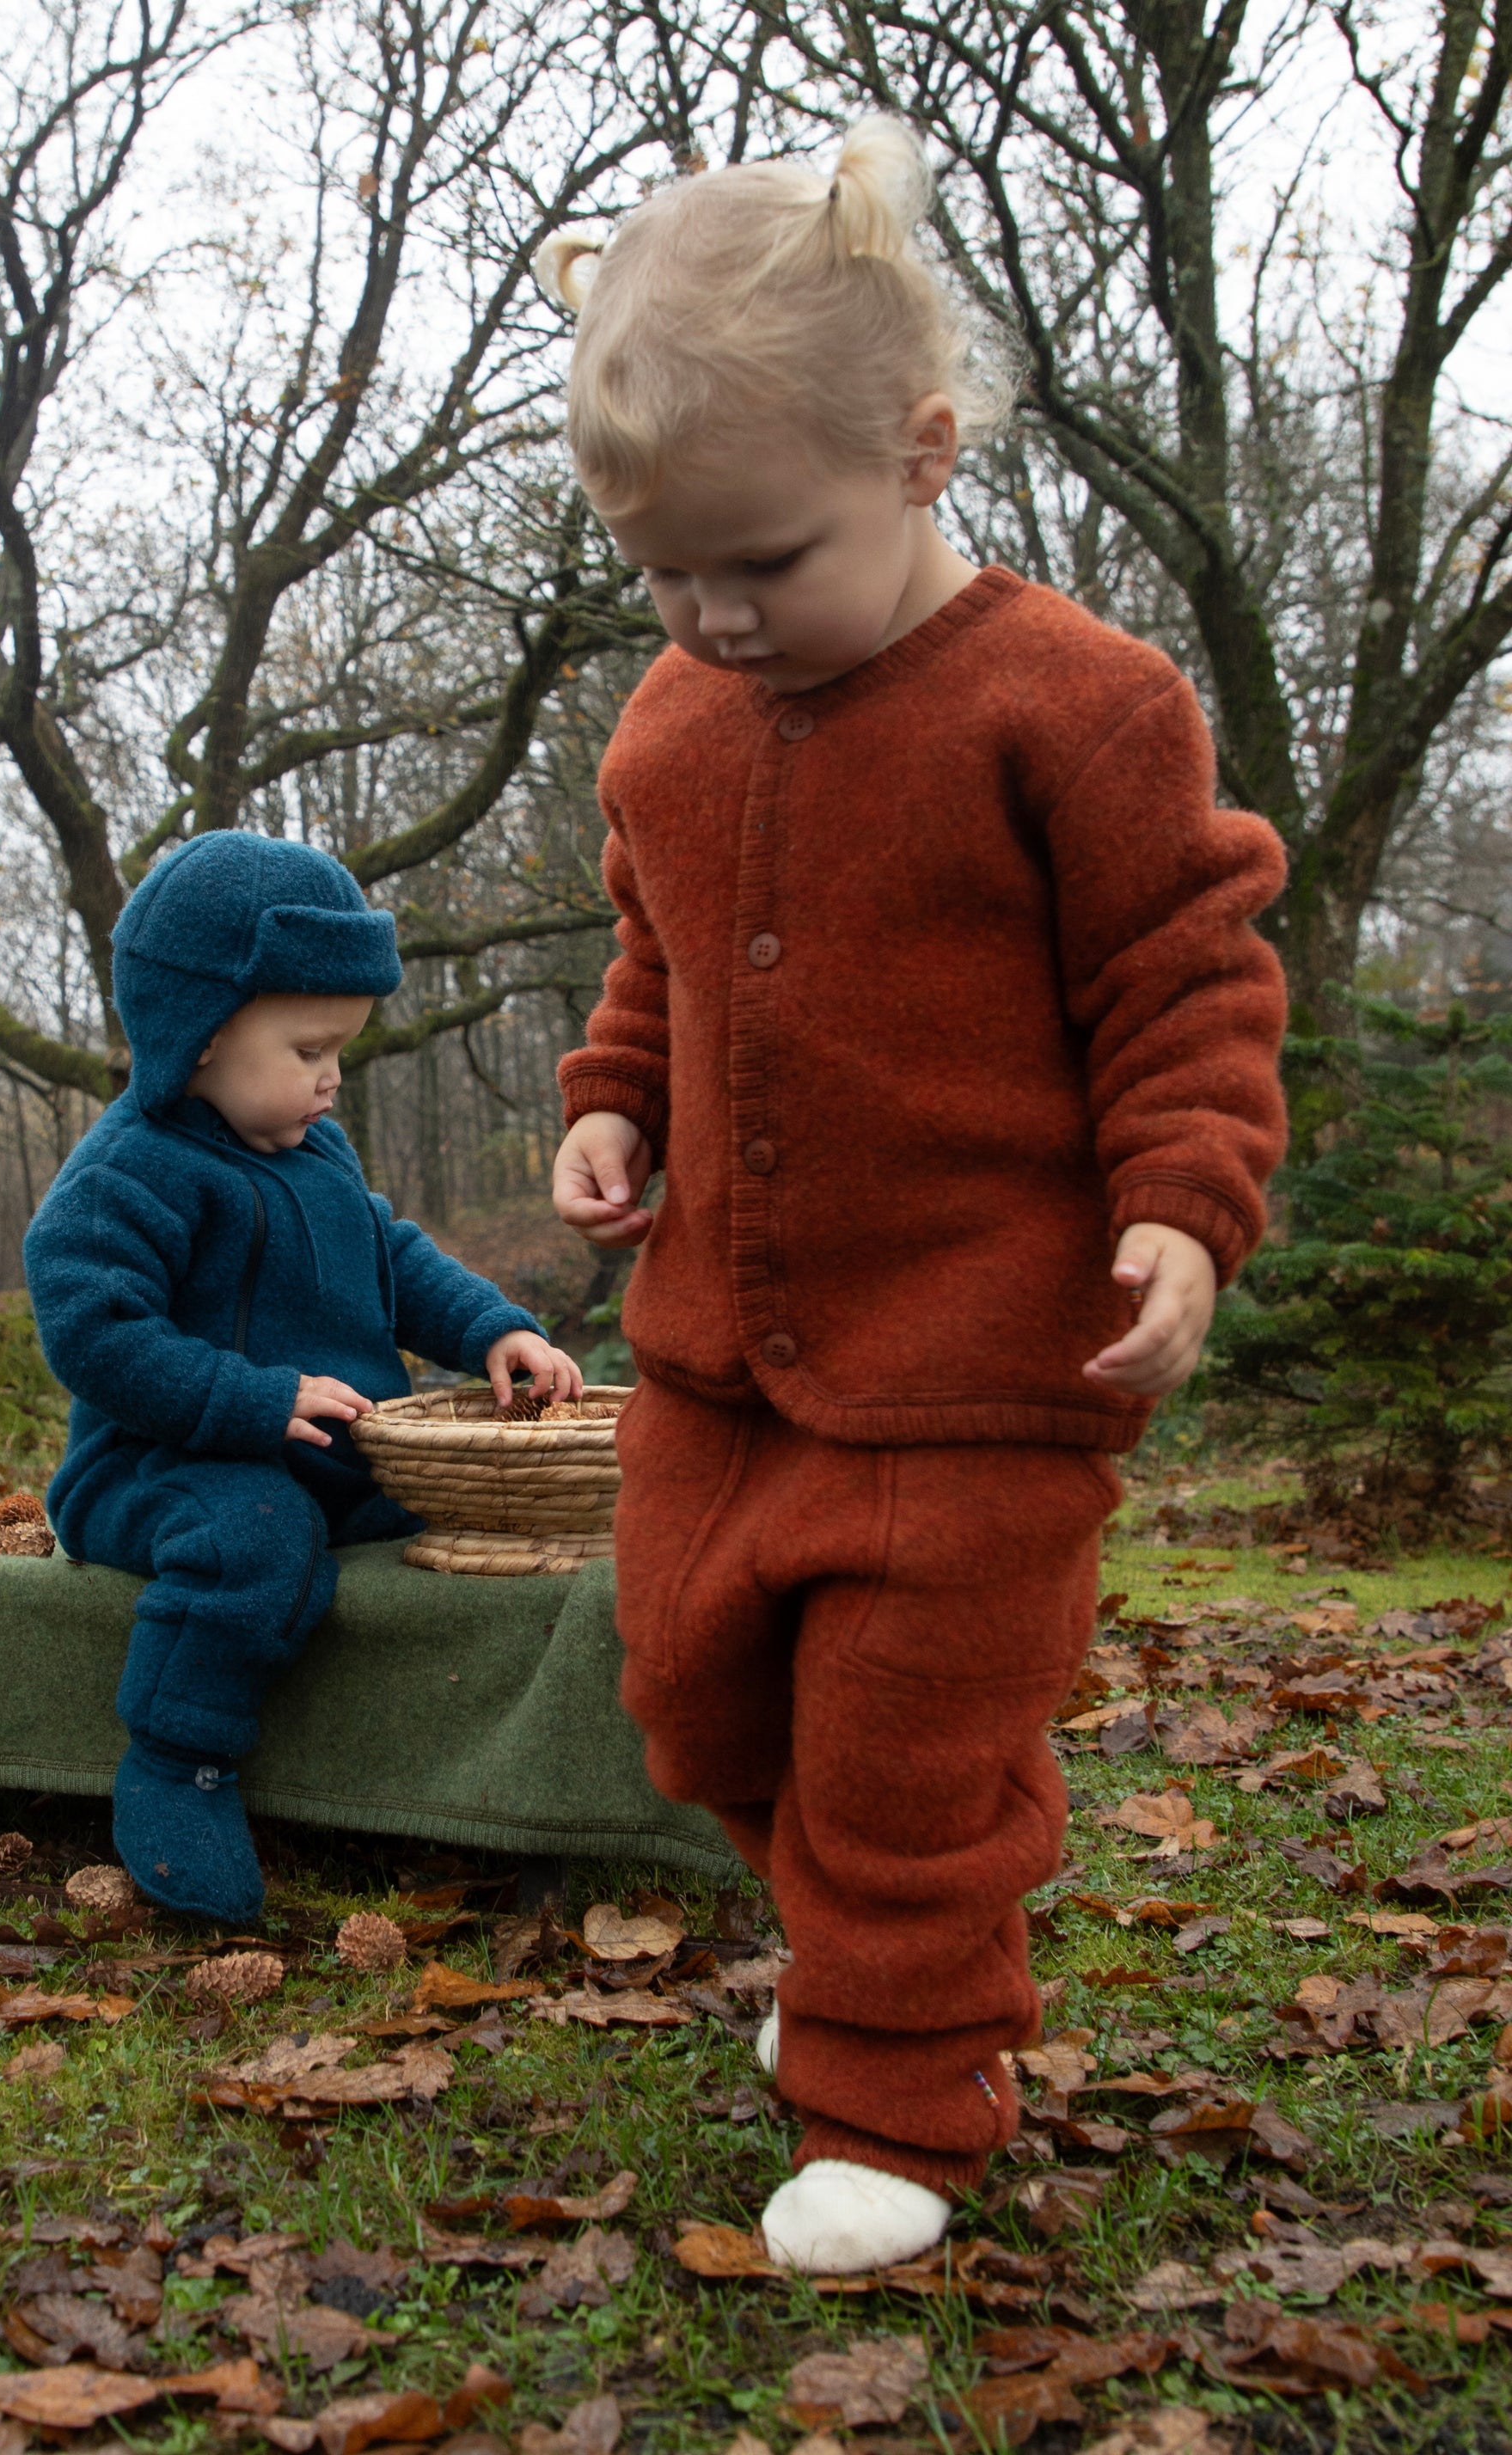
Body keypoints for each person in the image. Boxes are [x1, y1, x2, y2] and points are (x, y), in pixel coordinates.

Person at [542, 119, 1287, 2274]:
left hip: (981, 1352)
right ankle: (879, 1929)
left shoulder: (1075, 706)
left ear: (923, 453)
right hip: (720, 1361)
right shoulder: (671, 727)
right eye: (663, 573)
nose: (707, 616)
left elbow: (1183, 975)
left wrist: (1180, 1201)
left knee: (898, 1742)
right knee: (694, 1693)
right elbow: (653, 944)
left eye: (761, 561)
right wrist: (613, 1101)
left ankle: (891, 2079)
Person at [25, 832, 579, 1924]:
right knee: (257, 1537)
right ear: (197, 1038)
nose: (332, 1077)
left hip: (331, 1455)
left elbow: (393, 1258)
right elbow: (92, 1328)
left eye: (342, 1050)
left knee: (462, 1507)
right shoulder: (132, 1171)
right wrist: (249, 1398)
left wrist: (488, 1331)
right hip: (160, 1466)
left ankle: (494, 1751)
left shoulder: (314, 1148)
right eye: (308, 1048)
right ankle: (177, 1763)